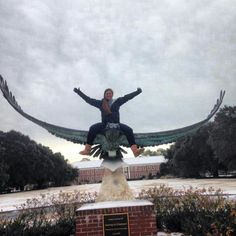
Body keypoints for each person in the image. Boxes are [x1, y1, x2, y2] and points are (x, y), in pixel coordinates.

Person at [73, 87, 144, 157]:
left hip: (117, 124)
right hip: (105, 124)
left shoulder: (117, 101)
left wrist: (137, 92)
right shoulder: (100, 103)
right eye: (107, 93)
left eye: (110, 93)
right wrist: (79, 92)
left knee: (129, 130)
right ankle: (87, 150)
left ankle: (135, 151)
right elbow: (89, 100)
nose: (109, 94)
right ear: (104, 95)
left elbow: (127, 97)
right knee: (92, 128)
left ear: (112, 95)